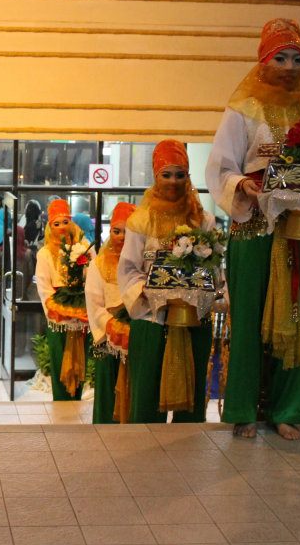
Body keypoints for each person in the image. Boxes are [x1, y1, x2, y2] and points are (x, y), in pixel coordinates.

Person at [205, 18, 300, 441]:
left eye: (297, 59)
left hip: (299, 229)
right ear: (263, 61)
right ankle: (243, 410)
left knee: (299, 318)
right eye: (281, 58)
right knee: (249, 319)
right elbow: (220, 168)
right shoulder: (243, 109)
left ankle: (290, 409)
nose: (289, 67)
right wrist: (243, 185)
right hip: (253, 227)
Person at [119, 140, 217, 424]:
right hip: (151, 319)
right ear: (155, 175)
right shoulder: (140, 221)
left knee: (191, 399)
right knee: (146, 397)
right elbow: (128, 269)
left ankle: (188, 448)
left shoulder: (204, 220)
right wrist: (154, 294)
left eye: (180, 174)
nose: (173, 181)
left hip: (193, 319)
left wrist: (195, 295)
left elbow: (214, 267)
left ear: (188, 176)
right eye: (166, 174)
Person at [35, 198, 94, 401]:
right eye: (56, 223)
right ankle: (61, 402)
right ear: (50, 226)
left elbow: (93, 277)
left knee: (81, 359)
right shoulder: (44, 253)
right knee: (59, 359)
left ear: (72, 222)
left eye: (65, 222)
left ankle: (76, 401)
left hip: (82, 313)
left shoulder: (85, 247)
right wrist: (56, 311)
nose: (61, 227)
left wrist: (86, 303)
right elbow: (43, 286)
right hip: (57, 316)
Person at [85, 201, 136, 424]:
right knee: (107, 394)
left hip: (136, 338)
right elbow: (94, 303)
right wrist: (111, 325)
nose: (122, 237)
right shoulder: (98, 264)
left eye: (128, 232)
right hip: (108, 340)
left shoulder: (141, 264)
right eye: (117, 231)